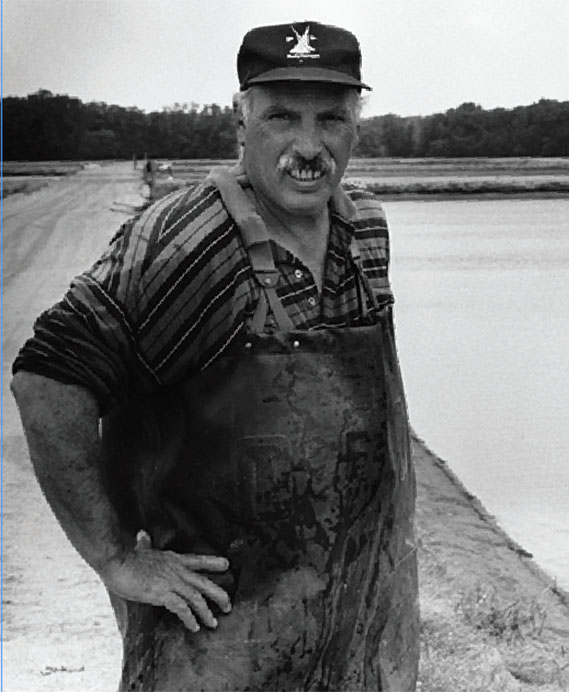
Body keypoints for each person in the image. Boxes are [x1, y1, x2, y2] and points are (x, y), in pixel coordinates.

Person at [11, 20, 418, 691]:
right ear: (240, 124)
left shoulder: (365, 230)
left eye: (331, 119)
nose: (308, 147)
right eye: (281, 117)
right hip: (216, 650)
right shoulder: (185, 242)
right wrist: (115, 558)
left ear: (357, 127)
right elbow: (46, 380)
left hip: (352, 638)